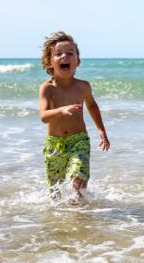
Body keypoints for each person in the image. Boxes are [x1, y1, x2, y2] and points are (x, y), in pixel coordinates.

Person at [38, 31, 110, 201]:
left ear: (78, 61)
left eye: (70, 53)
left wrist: (101, 131)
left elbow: (92, 106)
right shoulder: (47, 88)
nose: (65, 56)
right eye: (58, 54)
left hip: (79, 141)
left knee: (77, 180)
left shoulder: (83, 87)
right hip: (54, 144)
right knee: (55, 192)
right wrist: (61, 110)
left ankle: (80, 214)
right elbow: (44, 116)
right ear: (50, 61)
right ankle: (62, 219)